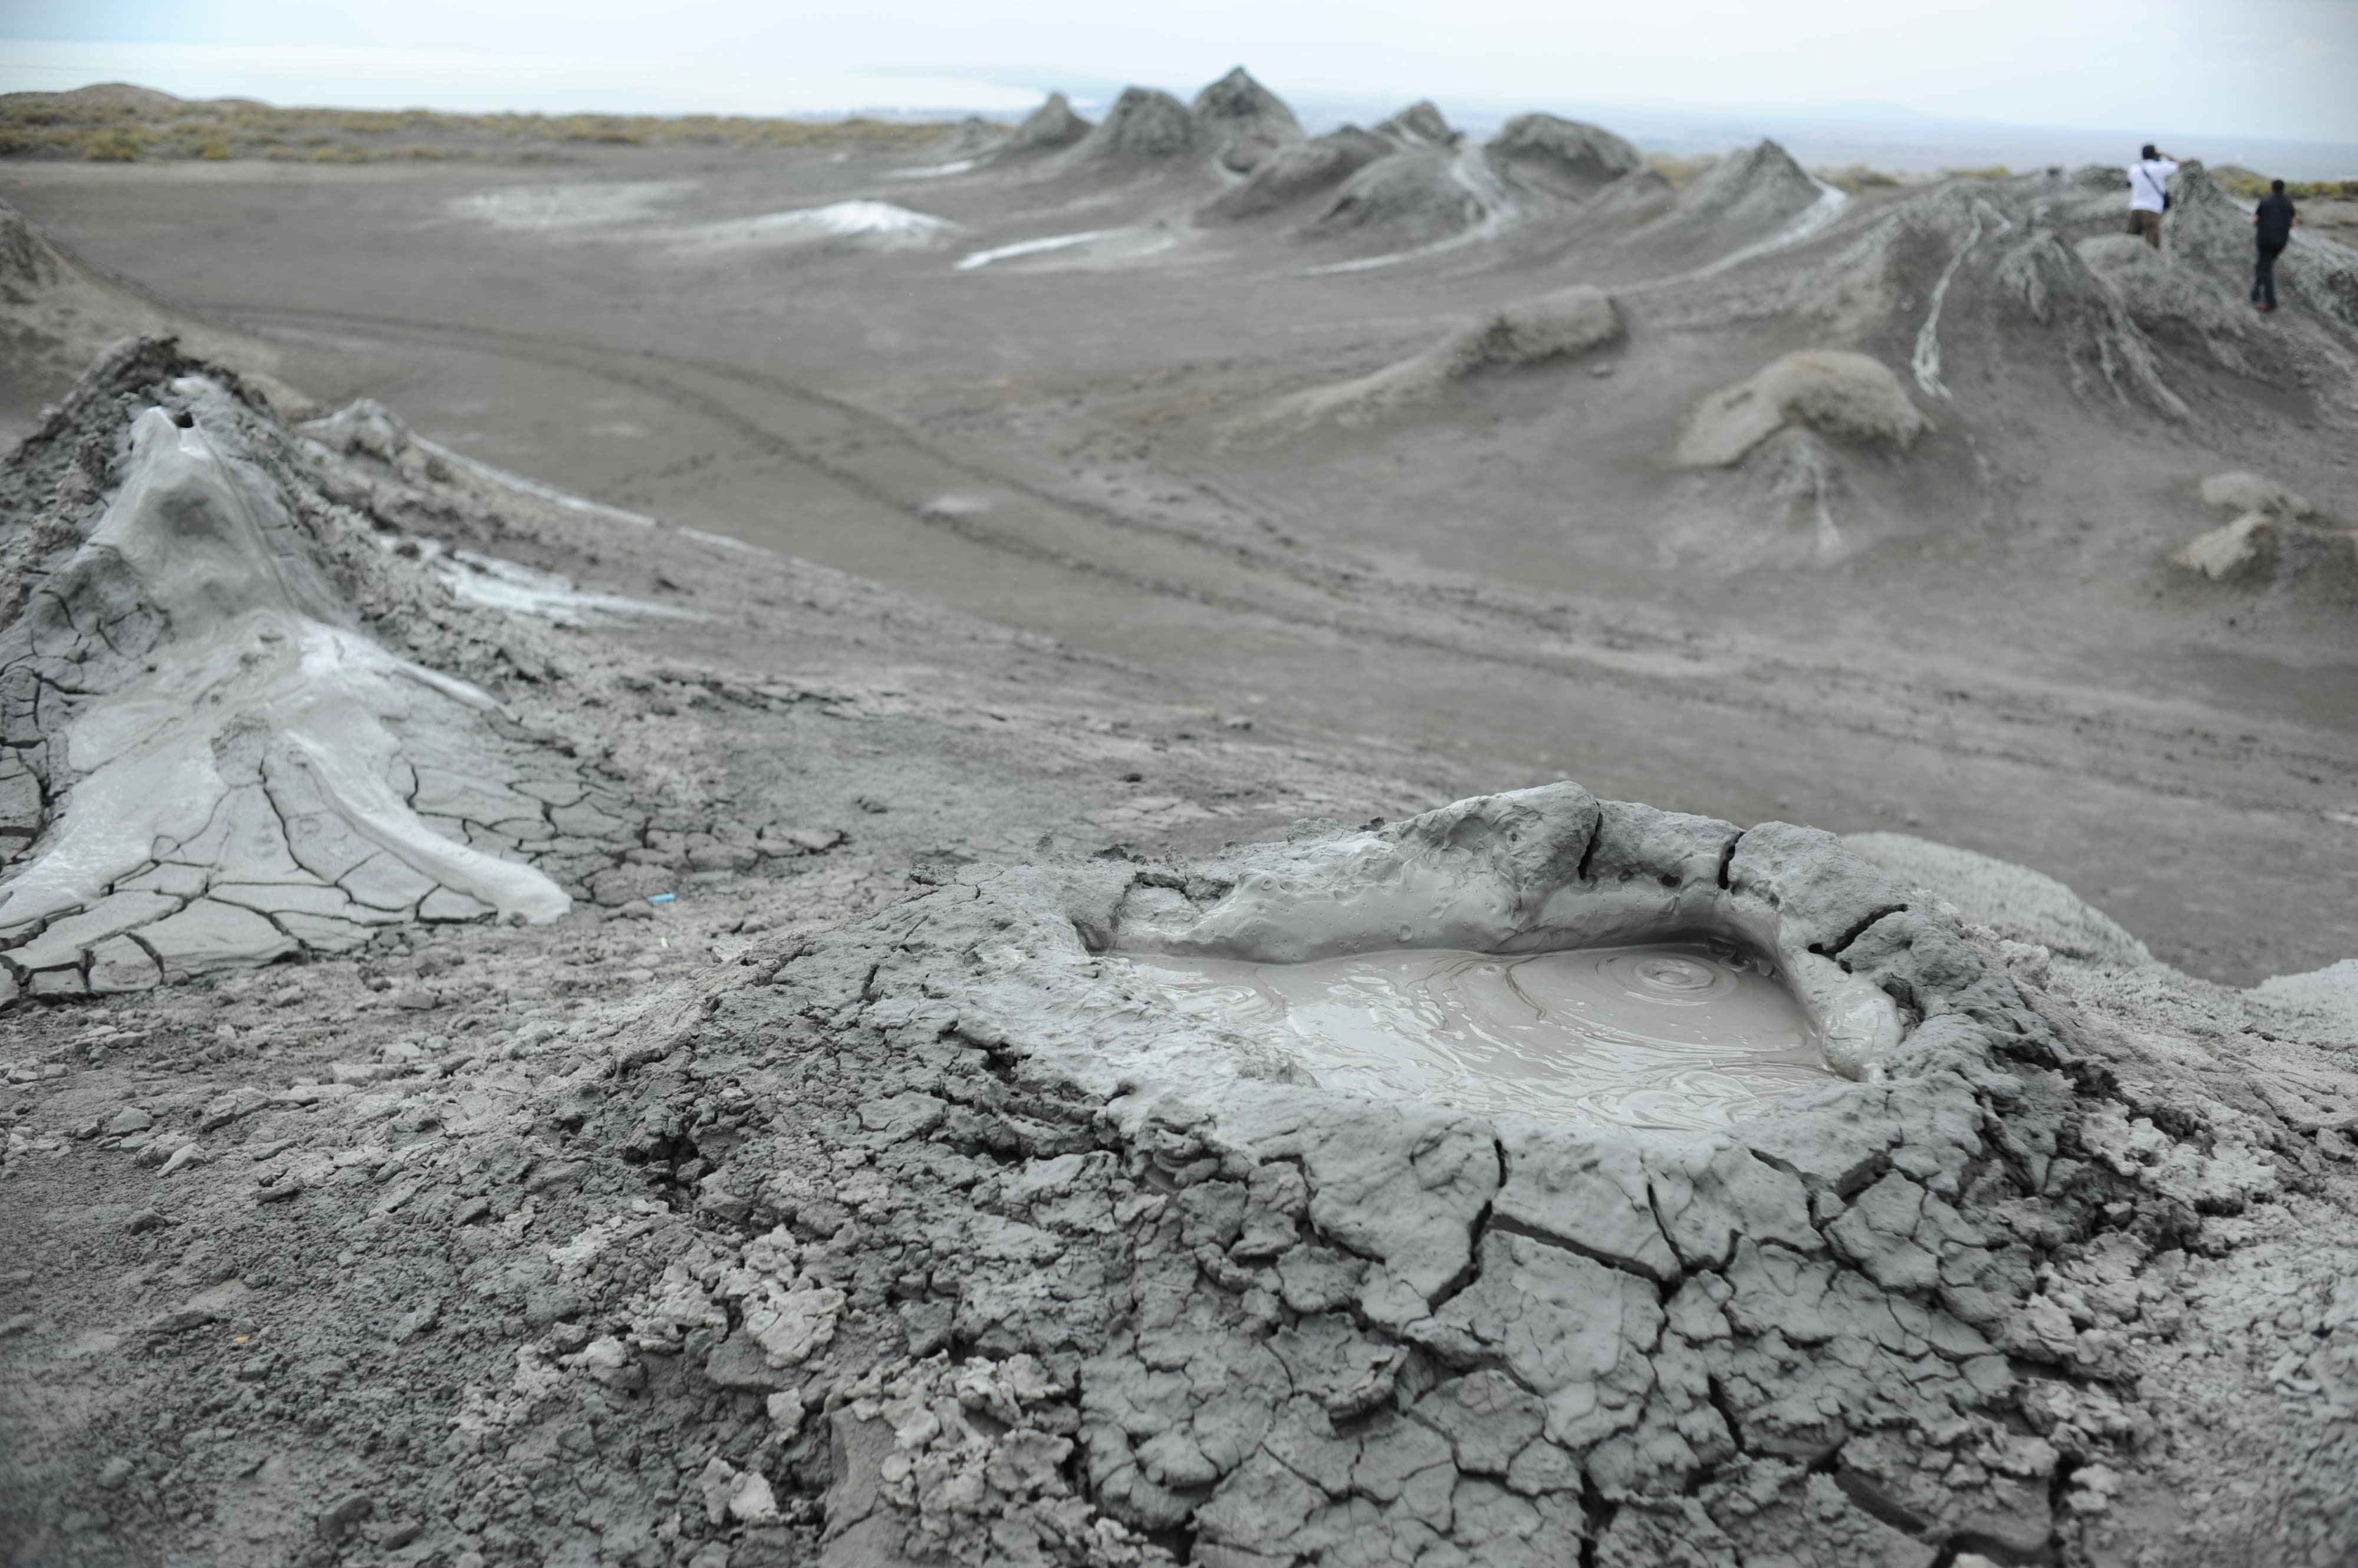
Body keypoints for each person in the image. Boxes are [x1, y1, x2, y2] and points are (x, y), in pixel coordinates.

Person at [2251, 178, 2298, 312]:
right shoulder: (2288, 203)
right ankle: (2255, 293)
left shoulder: (2265, 201)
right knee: (2263, 266)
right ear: (2283, 189)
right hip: (2281, 243)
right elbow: (2293, 223)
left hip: (2265, 241)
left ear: (2272, 189)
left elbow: (2255, 221)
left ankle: (2270, 303)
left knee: (2266, 269)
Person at [2126, 143, 2179, 248]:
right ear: (2155, 154)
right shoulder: (2159, 167)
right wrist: (2165, 154)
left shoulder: (2134, 168)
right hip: (2153, 209)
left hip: (2135, 207)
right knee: (2152, 244)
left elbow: (2129, 183)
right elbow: (2180, 165)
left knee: (2130, 242)